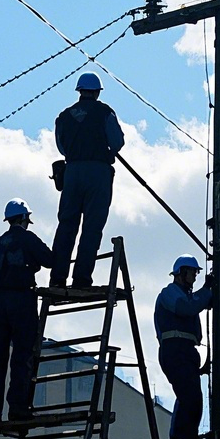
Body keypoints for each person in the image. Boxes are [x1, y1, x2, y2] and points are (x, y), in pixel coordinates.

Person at [49, 72, 125, 289]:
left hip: (72, 173)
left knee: (66, 227)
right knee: (92, 228)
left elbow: (62, 147)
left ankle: (57, 278)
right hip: (98, 173)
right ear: (97, 92)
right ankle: (81, 279)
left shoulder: (64, 116)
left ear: (80, 91)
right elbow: (117, 142)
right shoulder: (104, 112)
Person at [0, 199, 55, 424]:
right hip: (20, 301)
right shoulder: (27, 238)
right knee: (22, 354)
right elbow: (49, 259)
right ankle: (17, 407)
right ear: (25, 218)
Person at [154, 255, 214, 439]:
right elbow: (186, 308)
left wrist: (208, 293)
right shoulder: (169, 294)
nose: (195, 277)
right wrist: (206, 291)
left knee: (190, 397)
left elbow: (194, 303)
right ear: (181, 273)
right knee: (190, 397)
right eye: (192, 273)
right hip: (175, 349)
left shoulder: (188, 296)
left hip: (186, 350)